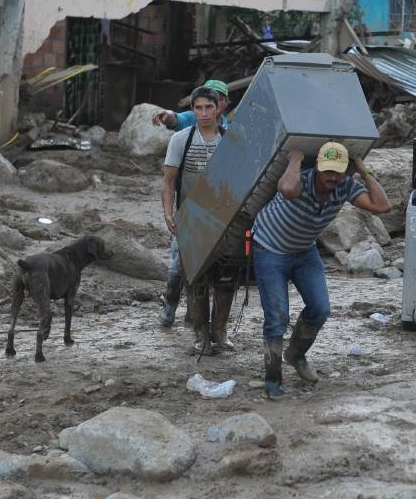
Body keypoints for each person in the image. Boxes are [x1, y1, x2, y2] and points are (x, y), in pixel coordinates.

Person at [252, 142, 391, 399]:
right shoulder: (301, 180)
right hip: (270, 249)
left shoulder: (344, 186)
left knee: (320, 308)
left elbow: (382, 206)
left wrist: (362, 168)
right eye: (327, 171)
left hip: (304, 251)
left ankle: (295, 354)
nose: (332, 177)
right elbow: (286, 188)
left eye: (338, 171)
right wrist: (295, 159)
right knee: (277, 318)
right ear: (317, 167)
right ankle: (272, 380)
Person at [160, 86, 235, 352]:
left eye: (209, 107)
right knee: (195, 279)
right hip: (191, 218)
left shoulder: (230, 140)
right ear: (192, 109)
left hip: (225, 219)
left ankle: (221, 332)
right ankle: (201, 336)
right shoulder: (181, 140)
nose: (203, 113)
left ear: (219, 108)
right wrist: (169, 213)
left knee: (226, 278)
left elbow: (241, 182)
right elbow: (169, 182)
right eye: (198, 108)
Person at [152, 79, 230, 130]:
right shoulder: (192, 119)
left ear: (226, 102)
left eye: (219, 98)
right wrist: (167, 114)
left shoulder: (230, 128)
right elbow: (177, 119)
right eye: (209, 98)